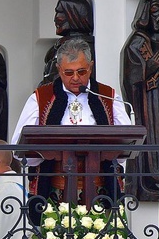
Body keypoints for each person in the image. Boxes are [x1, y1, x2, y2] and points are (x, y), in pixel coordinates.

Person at [11, 38, 131, 207]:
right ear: (59, 70)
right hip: (54, 188)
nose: (76, 78)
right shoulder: (40, 98)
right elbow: (19, 148)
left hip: (101, 188)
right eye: (69, 73)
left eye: (81, 71)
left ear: (91, 67)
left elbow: (127, 142)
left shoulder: (107, 96)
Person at [121, 0, 159, 200]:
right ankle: (149, 181)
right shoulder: (137, 43)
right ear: (147, 14)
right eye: (155, 11)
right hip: (148, 104)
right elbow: (130, 77)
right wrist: (147, 69)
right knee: (150, 143)